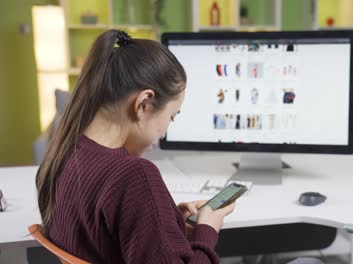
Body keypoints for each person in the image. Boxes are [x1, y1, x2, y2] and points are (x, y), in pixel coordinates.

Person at [35, 29, 235, 264]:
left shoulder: (64, 154)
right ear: (144, 104)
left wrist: (165, 222)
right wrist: (207, 232)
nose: (165, 131)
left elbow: (102, 238)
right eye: (171, 117)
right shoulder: (135, 176)